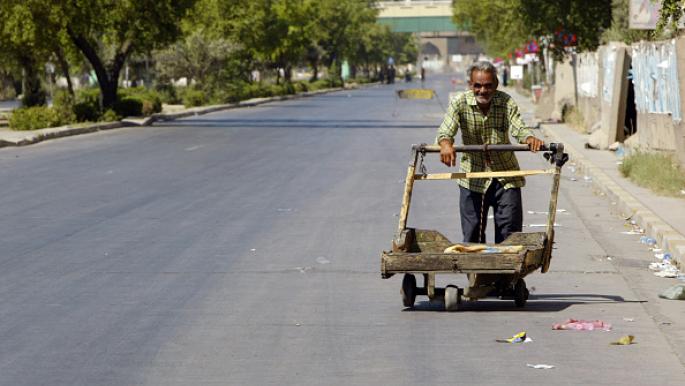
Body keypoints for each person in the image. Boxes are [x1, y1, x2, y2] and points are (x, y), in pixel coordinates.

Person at [435, 61, 544, 244]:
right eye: (477, 86)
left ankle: (505, 273)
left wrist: (529, 139)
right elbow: (446, 130)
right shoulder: (459, 103)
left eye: (488, 86)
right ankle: (477, 273)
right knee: (472, 237)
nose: (483, 91)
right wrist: (445, 144)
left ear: (496, 85)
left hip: (506, 176)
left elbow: (519, 128)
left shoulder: (506, 101)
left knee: (510, 236)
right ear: (470, 85)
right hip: (472, 176)